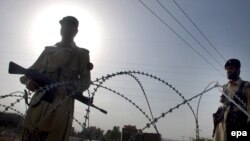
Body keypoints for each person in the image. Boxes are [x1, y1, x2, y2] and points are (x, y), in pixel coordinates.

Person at [20, 16, 92, 141]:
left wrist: (70, 88)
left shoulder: (81, 54)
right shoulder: (48, 51)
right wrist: (29, 82)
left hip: (61, 106)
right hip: (39, 101)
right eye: (64, 26)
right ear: (60, 29)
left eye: (71, 27)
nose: (67, 29)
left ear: (76, 32)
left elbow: (85, 81)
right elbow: (29, 72)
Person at [213, 59, 250, 141]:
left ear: (238, 70)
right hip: (223, 127)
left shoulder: (246, 86)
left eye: (231, 68)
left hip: (238, 127)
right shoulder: (225, 87)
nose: (228, 71)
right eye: (227, 69)